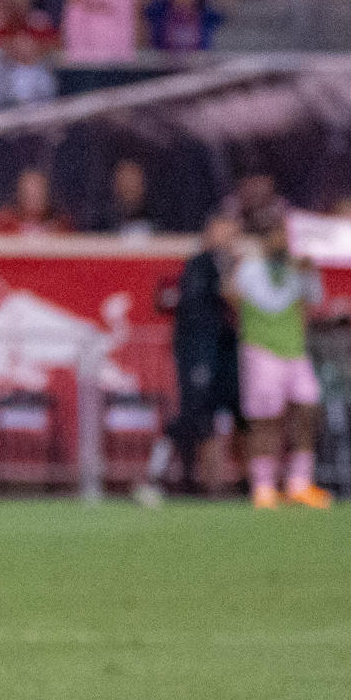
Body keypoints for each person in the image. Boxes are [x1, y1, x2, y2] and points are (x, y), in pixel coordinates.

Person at [136, 211, 241, 504]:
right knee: (190, 415)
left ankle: (211, 484)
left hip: (215, 352)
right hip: (197, 352)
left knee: (211, 417)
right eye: (224, 229)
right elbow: (200, 311)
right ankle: (154, 477)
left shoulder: (225, 263)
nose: (229, 236)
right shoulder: (199, 265)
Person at [232, 212, 334, 510]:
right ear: (265, 239)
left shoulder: (300, 268)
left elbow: (313, 302)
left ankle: (298, 482)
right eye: (276, 234)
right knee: (265, 418)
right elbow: (231, 294)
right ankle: (263, 486)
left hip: (294, 351)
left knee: (308, 409)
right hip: (262, 350)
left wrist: (308, 270)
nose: (283, 240)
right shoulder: (250, 268)